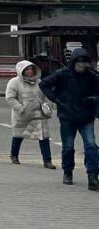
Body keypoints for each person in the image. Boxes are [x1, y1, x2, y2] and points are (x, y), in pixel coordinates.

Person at [40, 48, 98, 189]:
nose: (81, 65)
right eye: (79, 62)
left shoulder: (91, 76)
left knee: (91, 146)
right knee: (68, 147)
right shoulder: (62, 74)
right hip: (68, 116)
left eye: (84, 62)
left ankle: (92, 175)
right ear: (73, 62)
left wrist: (94, 99)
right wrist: (55, 99)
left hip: (86, 116)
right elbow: (43, 84)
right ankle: (67, 172)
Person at [5, 60, 55, 169]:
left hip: (39, 115)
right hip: (23, 116)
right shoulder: (14, 82)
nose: (30, 72)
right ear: (21, 71)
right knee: (18, 135)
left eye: (31, 69)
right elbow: (10, 98)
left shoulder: (39, 82)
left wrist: (47, 106)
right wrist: (21, 108)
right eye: (27, 70)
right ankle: (14, 155)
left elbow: (46, 96)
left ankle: (47, 161)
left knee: (43, 137)